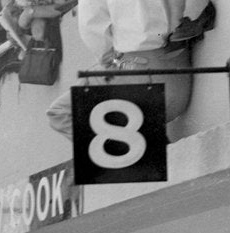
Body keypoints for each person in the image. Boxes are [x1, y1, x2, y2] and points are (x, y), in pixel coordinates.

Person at [46, 0, 194, 140]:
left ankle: (140, 150)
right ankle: (147, 143)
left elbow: (93, 33)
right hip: (179, 77)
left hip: (145, 80)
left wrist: (111, 59)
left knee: (60, 113)